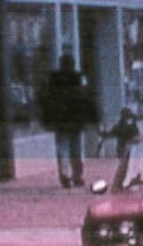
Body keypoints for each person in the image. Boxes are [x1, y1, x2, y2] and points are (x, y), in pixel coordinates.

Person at [37, 50, 98, 188]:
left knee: (63, 148)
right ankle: (77, 176)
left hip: (60, 120)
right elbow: (86, 99)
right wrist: (91, 117)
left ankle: (65, 175)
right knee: (76, 149)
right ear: (72, 64)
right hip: (76, 120)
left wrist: (47, 119)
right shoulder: (78, 78)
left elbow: (46, 100)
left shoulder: (53, 79)